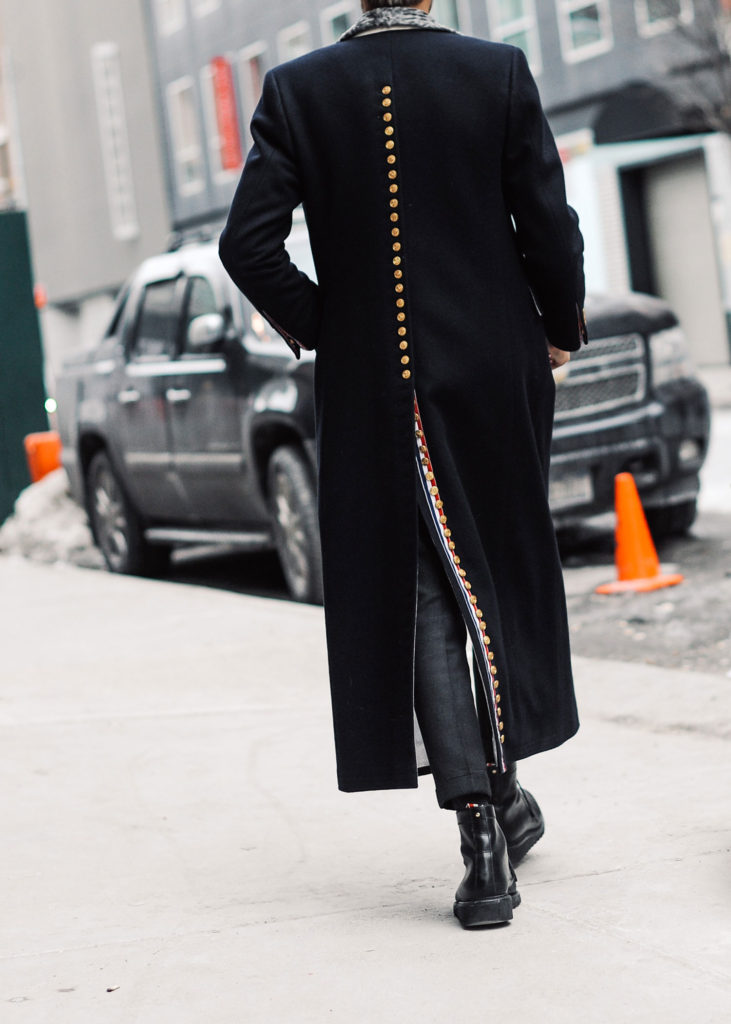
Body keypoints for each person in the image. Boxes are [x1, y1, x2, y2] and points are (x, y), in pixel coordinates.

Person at [219, 0, 588, 928]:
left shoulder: (296, 90)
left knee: (421, 594)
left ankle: (484, 836)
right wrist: (559, 323)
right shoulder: (494, 70)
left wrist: (333, 328)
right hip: (492, 369)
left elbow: (246, 245)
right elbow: (547, 221)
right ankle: (498, 803)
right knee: (491, 574)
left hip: (373, 384)